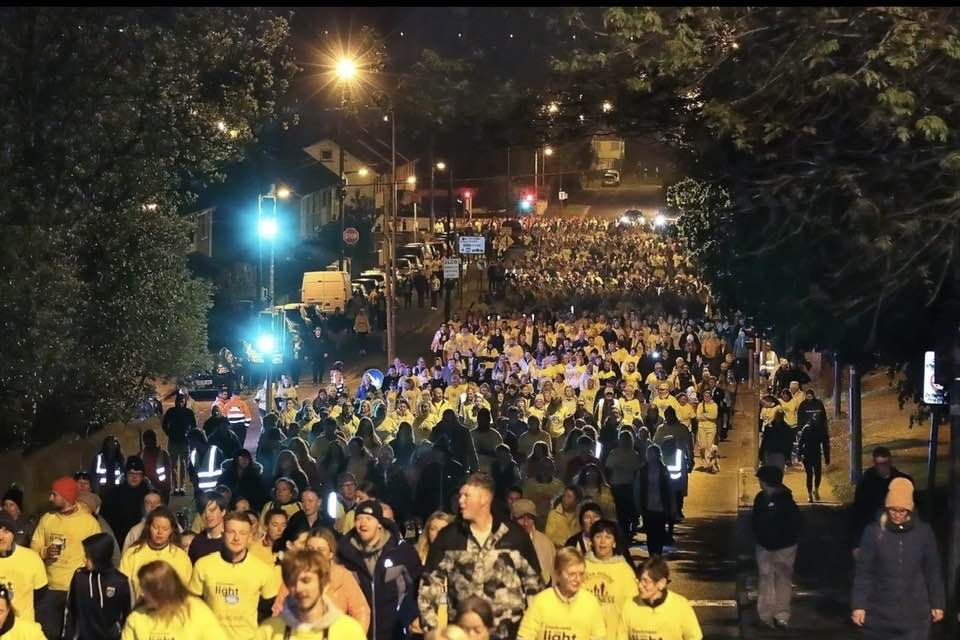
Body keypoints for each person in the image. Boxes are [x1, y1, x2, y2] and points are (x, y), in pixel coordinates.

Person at [419, 472, 543, 639]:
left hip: (510, 635)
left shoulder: (514, 536)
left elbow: (535, 589)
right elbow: (427, 590)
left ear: (484, 498)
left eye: (466, 495)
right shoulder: (448, 537)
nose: (460, 500)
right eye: (460, 495)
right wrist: (434, 633)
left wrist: (528, 635)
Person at [851, 478, 944, 639]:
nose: (897, 515)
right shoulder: (873, 532)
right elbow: (864, 571)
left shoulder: (923, 532)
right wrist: (859, 605)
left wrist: (937, 603)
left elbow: (932, 569)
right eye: (893, 509)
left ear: (910, 509)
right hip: (879, 616)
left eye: (902, 510)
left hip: (915, 616)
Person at [335, 500, 422, 640]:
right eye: (358, 519)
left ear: (379, 524)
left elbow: (418, 589)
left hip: (395, 633)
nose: (362, 523)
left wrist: (411, 620)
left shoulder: (402, 553)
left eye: (368, 519)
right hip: (357, 633)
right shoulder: (344, 555)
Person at [30, 476, 101, 639]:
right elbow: (33, 550)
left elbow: (97, 555)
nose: (50, 498)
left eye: (54, 494)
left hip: (77, 589)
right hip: (50, 589)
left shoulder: (89, 523)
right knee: (48, 633)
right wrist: (45, 552)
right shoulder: (48, 519)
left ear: (66, 496)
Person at [188, 511, 279, 639]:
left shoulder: (263, 570)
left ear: (249, 537)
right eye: (231, 532)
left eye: (242, 533)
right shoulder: (203, 565)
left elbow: (268, 613)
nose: (236, 538)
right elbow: (193, 607)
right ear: (223, 533)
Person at [257, 549, 366, 639]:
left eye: (306, 581)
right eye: (293, 581)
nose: (299, 588)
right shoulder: (269, 630)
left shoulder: (348, 632)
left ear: (324, 584)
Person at [121, 560, 227, 640]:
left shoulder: (196, 611)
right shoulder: (137, 617)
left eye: (147, 590)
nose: (142, 594)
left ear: (161, 589)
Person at [516, 547, 605, 640]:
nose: (578, 579)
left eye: (581, 574)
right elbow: (524, 637)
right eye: (572, 574)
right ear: (557, 575)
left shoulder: (591, 603)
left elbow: (599, 637)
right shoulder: (540, 602)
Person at [752, 466, 801, 629]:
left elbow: (756, 521)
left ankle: (770, 615)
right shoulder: (784, 499)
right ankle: (777, 616)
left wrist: (760, 538)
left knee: (770, 579)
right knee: (779, 580)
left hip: (776, 546)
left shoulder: (766, 499)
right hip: (780, 545)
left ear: (765, 482)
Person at [63, 532, 133, 640]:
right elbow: (70, 611)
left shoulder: (120, 581)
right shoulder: (79, 577)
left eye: (88, 556)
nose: (84, 559)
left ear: (100, 557)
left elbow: (127, 615)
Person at [617, 556, 703, 640]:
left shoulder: (681, 606)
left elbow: (694, 637)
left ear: (661, 583)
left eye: (645, 581)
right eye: (639, 580)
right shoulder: (629, 605)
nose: (640, 586)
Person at [120, 507, 192, 601]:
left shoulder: (181, 557)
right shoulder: (132, 553)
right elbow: (122, 585)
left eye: (165, 529)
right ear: (149, 527)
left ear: (171, 530)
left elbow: (185, 591)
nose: (159, 532)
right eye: (155, 527)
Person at [851, 446, 912, 553]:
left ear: (890, 461)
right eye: (880, 464)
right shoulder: (866, 484)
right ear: (875, 463)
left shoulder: (902, 482)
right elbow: (858, 514)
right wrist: (857, 544)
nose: (883, 467)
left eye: (885, 463)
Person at [583, 519, 637, 639]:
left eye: (608, 537)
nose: (602, 541)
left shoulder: (625, 570)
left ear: (614, 542)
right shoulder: (581, 566)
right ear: (591, 541)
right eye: (598, 536)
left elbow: (632, 607)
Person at [0, 512, 47, 624]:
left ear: (14, 533)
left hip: (23, 629)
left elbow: (41, 598)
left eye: (6, 531)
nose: (0, 537)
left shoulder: (31, 559)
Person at [102, 456, 153, 547]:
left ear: (143, 476)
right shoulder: (113, 495)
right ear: (126, 474)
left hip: (144, 542)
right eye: (131, 473)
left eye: (138, 474)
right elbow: (105, 520)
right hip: (118, 542)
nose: (134, 477)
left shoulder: (149, 496)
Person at [634, 445, 672, 556]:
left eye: (653, 454)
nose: (650, 456)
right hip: (648, 505)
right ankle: (652, 554)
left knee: (659, 531)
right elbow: (637, 488)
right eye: (649, 454)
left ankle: (658, 553)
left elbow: (669, 488)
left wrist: (672, 505)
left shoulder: (663, 470)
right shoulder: (642, 471)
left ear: (658, 455)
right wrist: (638, 504)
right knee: (650, 533)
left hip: (661, 506)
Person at [511, 499, 556, 585]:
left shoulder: (545, 543)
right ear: (512, 518)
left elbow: (553, 576)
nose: (526, 523)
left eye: (530, 518)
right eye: (521, 518)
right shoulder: (503, 542)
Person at [163, 394, 197, 496]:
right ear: (176, 401)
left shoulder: (188, 413)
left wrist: (189, 435)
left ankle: (182, 486)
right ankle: (175, 487)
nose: (180, 403)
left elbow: (193, 426)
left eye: (182, 401)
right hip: (173, 441)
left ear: (185, 402)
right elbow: (164, 424)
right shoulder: (171, 412)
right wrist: (169, 433)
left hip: (184, 442)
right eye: (178, 401)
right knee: (173, 465)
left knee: (183, 464)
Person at [797, 400, 830, 503]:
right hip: (807, 453)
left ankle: (815, 489)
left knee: (817, 474)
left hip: (814, 453)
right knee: (810, 474)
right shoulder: (807, 428)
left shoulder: (821, 430)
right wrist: (799, 454)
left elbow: (825, 444)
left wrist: (827, 457)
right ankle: (810, 493)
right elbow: (801, 442)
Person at [188, 491, 228, 564]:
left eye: (212, 510)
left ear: (223, 512)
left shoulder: (231, 539)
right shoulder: (197, 541)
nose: (207, 515)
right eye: (203, 512)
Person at [138, 429, 172, 503]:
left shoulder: (163, 454)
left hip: (161, 489)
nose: (149, 443)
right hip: (146, 490)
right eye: (147, 441)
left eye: (150, 440)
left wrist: (166, 490)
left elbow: (168, 473)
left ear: (155, 440)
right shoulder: (141, 455)